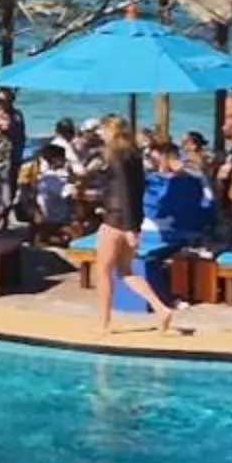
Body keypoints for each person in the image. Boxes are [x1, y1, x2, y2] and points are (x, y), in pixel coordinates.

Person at [96, 117, 186, 335]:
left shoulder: (117, 158)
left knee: (103, 272)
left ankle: (103, 323)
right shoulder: (134, 157)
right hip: (131, 219)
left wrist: (128, 228)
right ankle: (161, 308)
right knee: (125, 272)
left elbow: (125, 192)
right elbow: (137, 193)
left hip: (115, 220)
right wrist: (134, 225)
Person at [0, 89, 27, 226]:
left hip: (14, 156)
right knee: (1, 187)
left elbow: (20, 135)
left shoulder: (17, 115)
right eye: (1, 101)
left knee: (12, 187)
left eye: (8, 101)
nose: (5, 104)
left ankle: (5, 216)